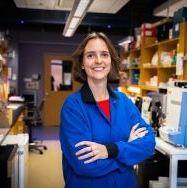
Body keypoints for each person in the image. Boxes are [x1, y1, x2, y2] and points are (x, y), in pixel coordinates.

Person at [59, 32, 156, 188]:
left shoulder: (123, 101)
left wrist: (110, 150)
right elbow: (84, 164)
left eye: (104, 54)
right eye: (90, 55)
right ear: (82, 63)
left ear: (110, 60)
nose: (98, 61)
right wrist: (128, 150)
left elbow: (149, 143)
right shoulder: (73, 107)